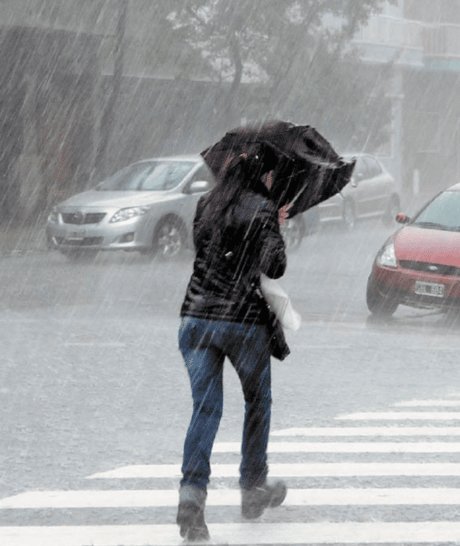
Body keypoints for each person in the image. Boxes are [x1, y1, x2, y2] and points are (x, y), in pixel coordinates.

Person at [176, 144, 290, 541]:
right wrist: (274, 223)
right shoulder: (262, 207)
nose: (274, 181)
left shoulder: (206, 203)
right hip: (241, 323)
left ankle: (191, 498)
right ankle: (253, 488)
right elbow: (274, 265)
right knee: (258, 402)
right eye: (272, 174)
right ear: (262, 174)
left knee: (205, 410)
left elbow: (205, 252)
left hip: (195, 319)